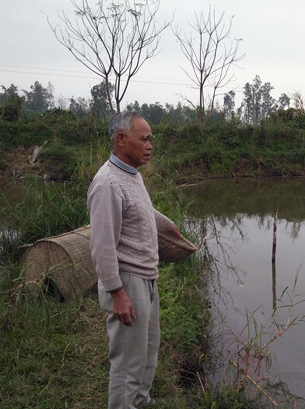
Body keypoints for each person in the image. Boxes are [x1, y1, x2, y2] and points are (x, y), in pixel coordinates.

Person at [87, 111, 181, 408]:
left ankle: (139, 401)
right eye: (144, 138)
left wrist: (168, 226)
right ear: (121, 139)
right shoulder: (107, 185)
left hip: (146, 277)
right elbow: (102, 246)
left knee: (147, 350)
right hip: (127, 281)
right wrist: (117, 294)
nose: (150, 144)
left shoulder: (131, 175)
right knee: (128, 360)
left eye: (151, 138)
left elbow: (141, 210)